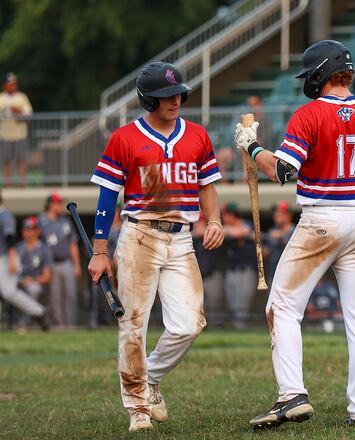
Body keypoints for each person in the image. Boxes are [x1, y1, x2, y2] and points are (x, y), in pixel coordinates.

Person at [235, 40, 355, 429]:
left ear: (321, 73)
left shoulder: (308, 114)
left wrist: (252, 147)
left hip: (321, 220)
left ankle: (292, 395)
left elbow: (284, 171)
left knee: (283, 308)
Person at [86, 62, 224, 432]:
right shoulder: (124, 137)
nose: (175, 100)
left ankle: (149, 379)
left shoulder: (196, 135)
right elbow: (107, 196)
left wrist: (214, 220)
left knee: (189, 324)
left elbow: (206, 184)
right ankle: (137, 409)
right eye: (166, 96)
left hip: (181, 238)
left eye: (178, 93)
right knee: (132, 324)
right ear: (148, 99)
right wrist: (100, 250)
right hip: (139, 237)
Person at [0, 195, 48, 331]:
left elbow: (10, 237)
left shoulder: (4, 214)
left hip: (5, 257)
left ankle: (39, 312)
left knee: (9, 292)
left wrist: (11, 258)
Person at [38, 192, 80, 328]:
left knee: (71, 296)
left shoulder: (65, 221)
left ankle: (71, 326)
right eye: (58, 203)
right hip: (51, 264)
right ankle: (59, 326)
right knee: (55, 297)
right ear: (50, 205)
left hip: (66, 262)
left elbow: (73, 243)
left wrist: (77, 264)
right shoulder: (41, 221)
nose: (60, 206)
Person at [222, 201, 257, 328]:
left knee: (242, 308)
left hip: (245, 271)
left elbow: (243, 232)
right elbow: (227, 232)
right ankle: (237, 328)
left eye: (225, 215)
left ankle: (241, 328)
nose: (224, 218)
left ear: (232, 215)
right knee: (233, 307)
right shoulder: (227, 228)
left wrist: (232, 231)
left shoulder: (247, 224)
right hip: (232, 271)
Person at [15, 216, 53, 329]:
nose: (28, 232)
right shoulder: (18, 248)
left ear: (38, 231)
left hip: (35, 282)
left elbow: (47, 277)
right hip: (18, 281)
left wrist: (31, 280)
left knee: (33, 289)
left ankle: (23, 324)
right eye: (26, 229)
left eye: (31, 229)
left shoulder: (44, 249)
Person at [0, 73, 33, 187]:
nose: (12, 86)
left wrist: (17, 111)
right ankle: (7, 185)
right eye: (10, 84)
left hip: (20, 135)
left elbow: (29, 114)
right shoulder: (1, 98)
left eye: (14, 84)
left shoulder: (22, 97)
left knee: (21, 161)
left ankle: (21, 185)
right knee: (6, 161)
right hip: (5, 135)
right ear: (5, 85)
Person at [263, 200, 295, 288]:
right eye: (276, 213)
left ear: (288, 216)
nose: (276, 215)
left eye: (280, 213)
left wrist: (281, 237)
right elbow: (266, 254)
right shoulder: (272, 231)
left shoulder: (296, 231)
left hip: (290, 275)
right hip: (273, 274)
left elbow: (294, 251)